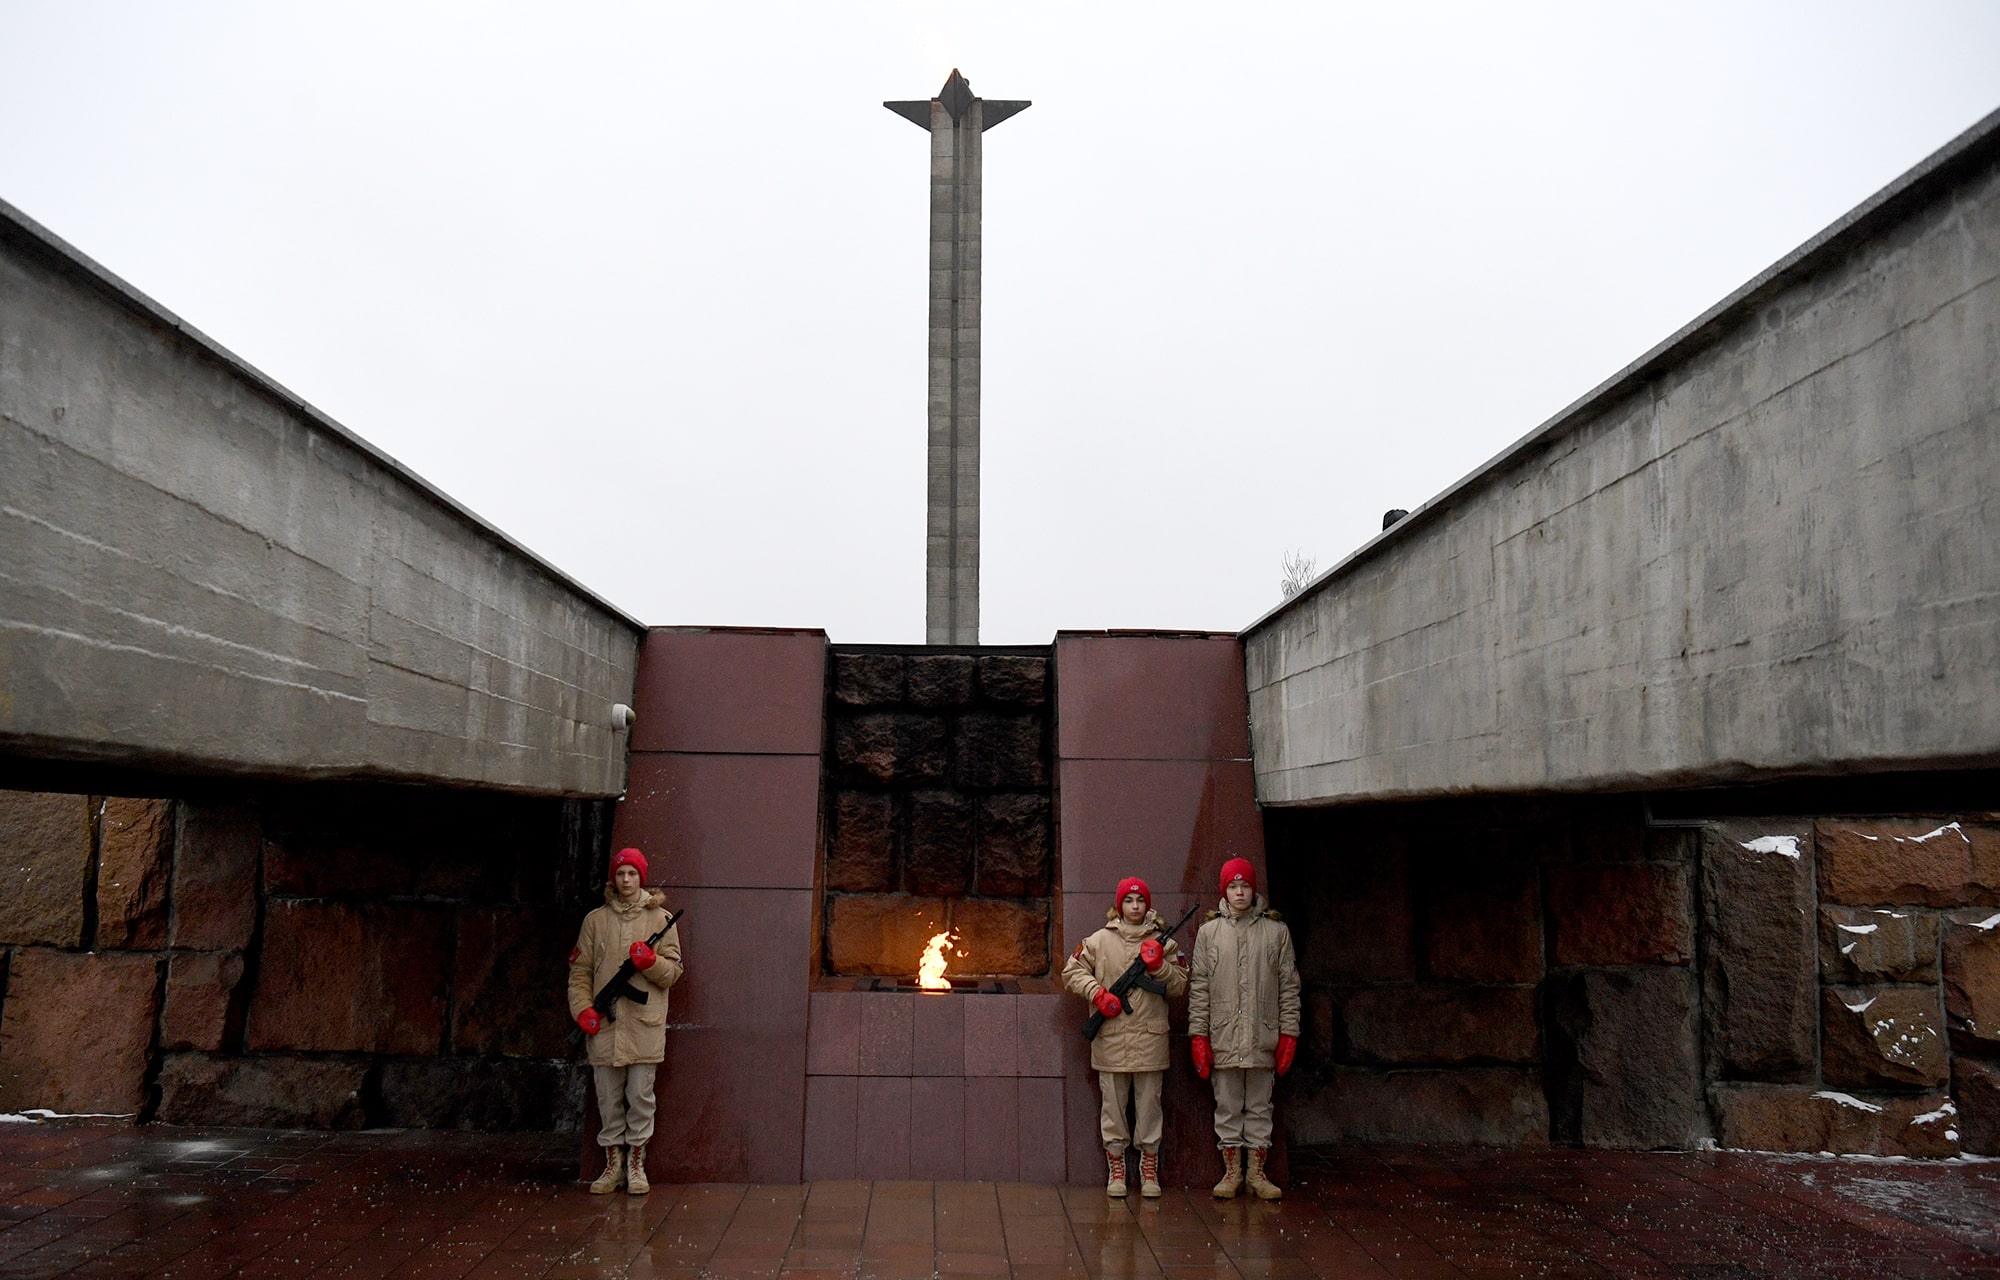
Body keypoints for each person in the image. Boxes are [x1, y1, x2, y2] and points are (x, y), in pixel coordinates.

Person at [1061, 876, 1189, 1198]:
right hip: (1111, 1038)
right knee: (1113, 1109)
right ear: (1119, 905)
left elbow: (1178, 986)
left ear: (1148, 906)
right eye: (1129, 901)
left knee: (1149, 1107)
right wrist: (1098, 994)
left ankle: (1149, 1168)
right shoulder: (1098, 941)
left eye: (1140, 901)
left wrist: (1158, 966)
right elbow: (1071, 972)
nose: (1135, 906)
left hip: (1149, 1039)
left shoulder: (1165, 943)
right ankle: (1116, 1168)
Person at [567, 846, 683, 1195]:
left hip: (643, 1027)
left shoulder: (661, 920)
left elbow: (674, 972)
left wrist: (652, 964)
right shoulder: (595, 921)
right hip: (605, 1027)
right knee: (608, 1097)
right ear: (613, 879)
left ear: (641, 877)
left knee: (640, 1095)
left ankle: (636, 1164)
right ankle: (613, 1164)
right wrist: (583, 1009)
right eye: (621, 873)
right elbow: (580, 973)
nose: (626, 879)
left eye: (632, 873)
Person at [1187, 857, 1300, 1200]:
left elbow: (1289, 987)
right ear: (1224, 890)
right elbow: (1199, 988)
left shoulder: (1276, 932)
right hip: (1224, 1038)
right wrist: (1199, 1036)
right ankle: (1232, 1171)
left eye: (1245, 886)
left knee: (1260, 1107)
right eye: (1233, 886)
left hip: (1262, 1037)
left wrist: (1289, 1034)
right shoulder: (1209, 933)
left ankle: (1257, 1173)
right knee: (1228, 1106)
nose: (1239, 892)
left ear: (1254, 890)